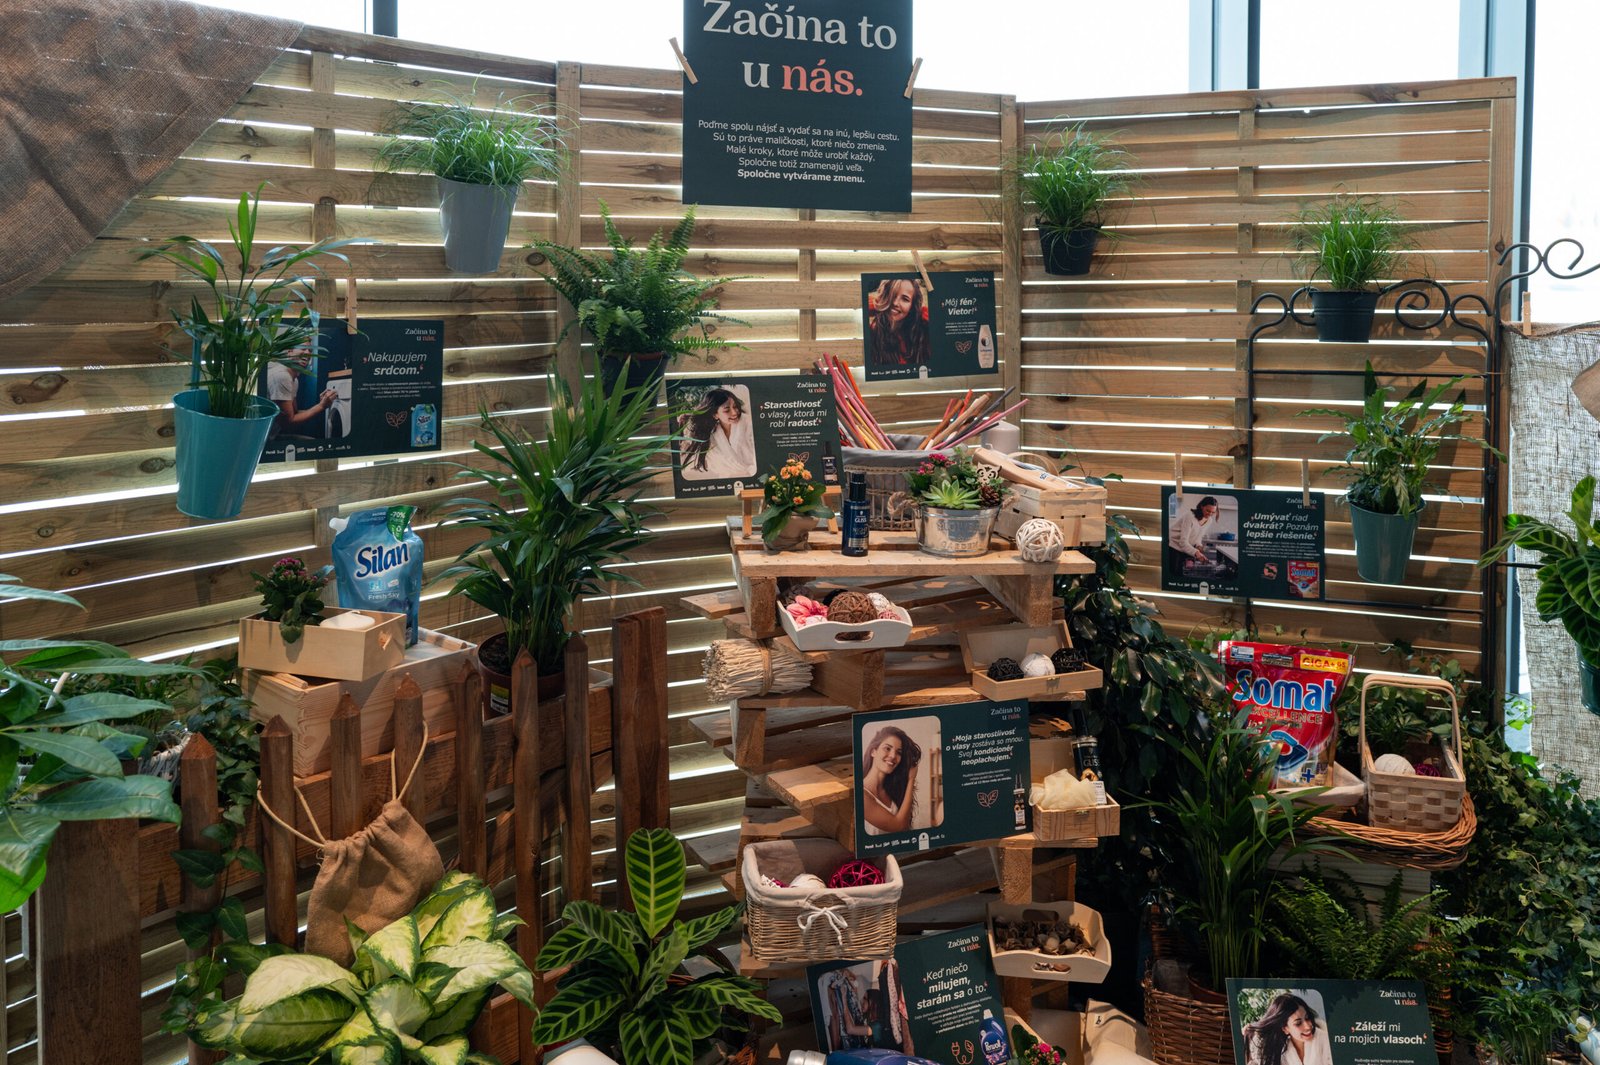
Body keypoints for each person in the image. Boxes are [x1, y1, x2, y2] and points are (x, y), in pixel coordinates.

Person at [679, 386, 757, 481]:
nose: (734, 412)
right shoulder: (712, 434)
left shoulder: (749, 424)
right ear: (715, 415)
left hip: (753, 477)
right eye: (727, 410)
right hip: (727, 480)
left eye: (735, 406)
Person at [861, 726, 921, 836]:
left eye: (899, 752)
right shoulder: (861, 795)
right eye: (887, 748)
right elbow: (899, 826)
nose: (893, 756)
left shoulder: (893, 790)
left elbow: (905, 830)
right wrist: (911, 779)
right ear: (873, 751)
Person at [1242, 993, 1332, 1065]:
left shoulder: (1326, 1041)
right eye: (1298, 1023)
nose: (1308, 1026)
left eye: (1307, 1018)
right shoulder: (1283, 1052)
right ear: (1285, 1029)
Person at [265, 352, 337, 440]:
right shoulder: (282, 376)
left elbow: (294, 414)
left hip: (274, 435)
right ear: (290, 352)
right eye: (303, 348)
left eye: (310, 350)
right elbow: (288, 424)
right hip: (265, 440)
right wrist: (321, 406)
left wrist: (321, 404)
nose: (308, 352)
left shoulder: (294, 380)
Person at [866, 277, 931, 373]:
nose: (895, 303)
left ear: (912, 307)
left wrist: (921, 314)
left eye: (905, 299)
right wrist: (878, 305)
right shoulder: (874, 331)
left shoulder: (920, 334)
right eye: (892, 295)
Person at [823, 966, 875, 1050]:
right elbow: (855, 985)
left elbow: (850, 1030)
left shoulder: (874, 1027)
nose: (862, 1002)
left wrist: (844, 1000)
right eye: (863, 998)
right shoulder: (864, 1015)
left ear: (872, 1004)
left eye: (865, 999)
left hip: (854, 1046)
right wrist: (849, 976)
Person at [1168, 495, 1220, 576]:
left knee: (1186, 574)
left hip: (1186, 549)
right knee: (1175, 575)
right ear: (1202, 506)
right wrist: (1196, 553)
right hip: (1174, 547)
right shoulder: (1190, 516)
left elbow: (1198, 537)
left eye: (1213, 512)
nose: (1210, 514)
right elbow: (1183, 542)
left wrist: (1199, 546)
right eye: (1208, 511)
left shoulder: (1209, 520)